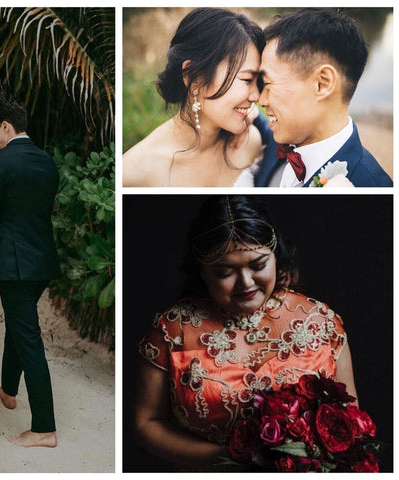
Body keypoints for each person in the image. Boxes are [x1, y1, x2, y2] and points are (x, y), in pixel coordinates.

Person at [134, 195, 357, 471]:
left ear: (276, 256)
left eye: (258, 265)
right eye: (225, 272)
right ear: (202, 271)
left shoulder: (321, 323)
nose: (246, 283)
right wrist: (228, 460)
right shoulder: (173, 330)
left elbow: (349, 421)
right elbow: (147, 422)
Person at [0, 92, 60, 448]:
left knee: (28, 339)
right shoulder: (47, 162)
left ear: (6, 126)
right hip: (42, 262)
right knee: (18, 323)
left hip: (15, 265)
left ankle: (44, 429)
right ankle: (8, 390)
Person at [123, 8, 265, 187]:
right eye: (247, 79)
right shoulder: (134, 173)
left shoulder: (249, 143)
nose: (256, 96)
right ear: (193, 76)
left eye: (258, 82)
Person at [254, 8, 392, 187]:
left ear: (322, 83)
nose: (261, 100)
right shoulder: (278, 143)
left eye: (267, 82)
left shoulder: (372, 188)